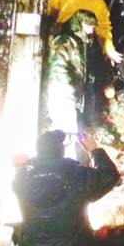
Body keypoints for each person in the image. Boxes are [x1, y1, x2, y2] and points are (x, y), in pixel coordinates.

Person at [41, 10, 97, 161]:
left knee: (71, 132)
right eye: (90, 24)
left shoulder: (81, 43)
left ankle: (70, 166)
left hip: (71, 96)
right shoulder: (65, 41)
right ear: (81, 23)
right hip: (62, 94)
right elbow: (58, 67)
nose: (93, 28)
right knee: (66, 132)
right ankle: (66, 168)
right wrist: (68, 91)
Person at [45, 0, 123, 67]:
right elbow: (51, 7)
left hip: (81, 42)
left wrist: (108, 48)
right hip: (61, 33)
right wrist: (48, 23)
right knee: (58, 60)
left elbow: (104, 29)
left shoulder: (99, 4)